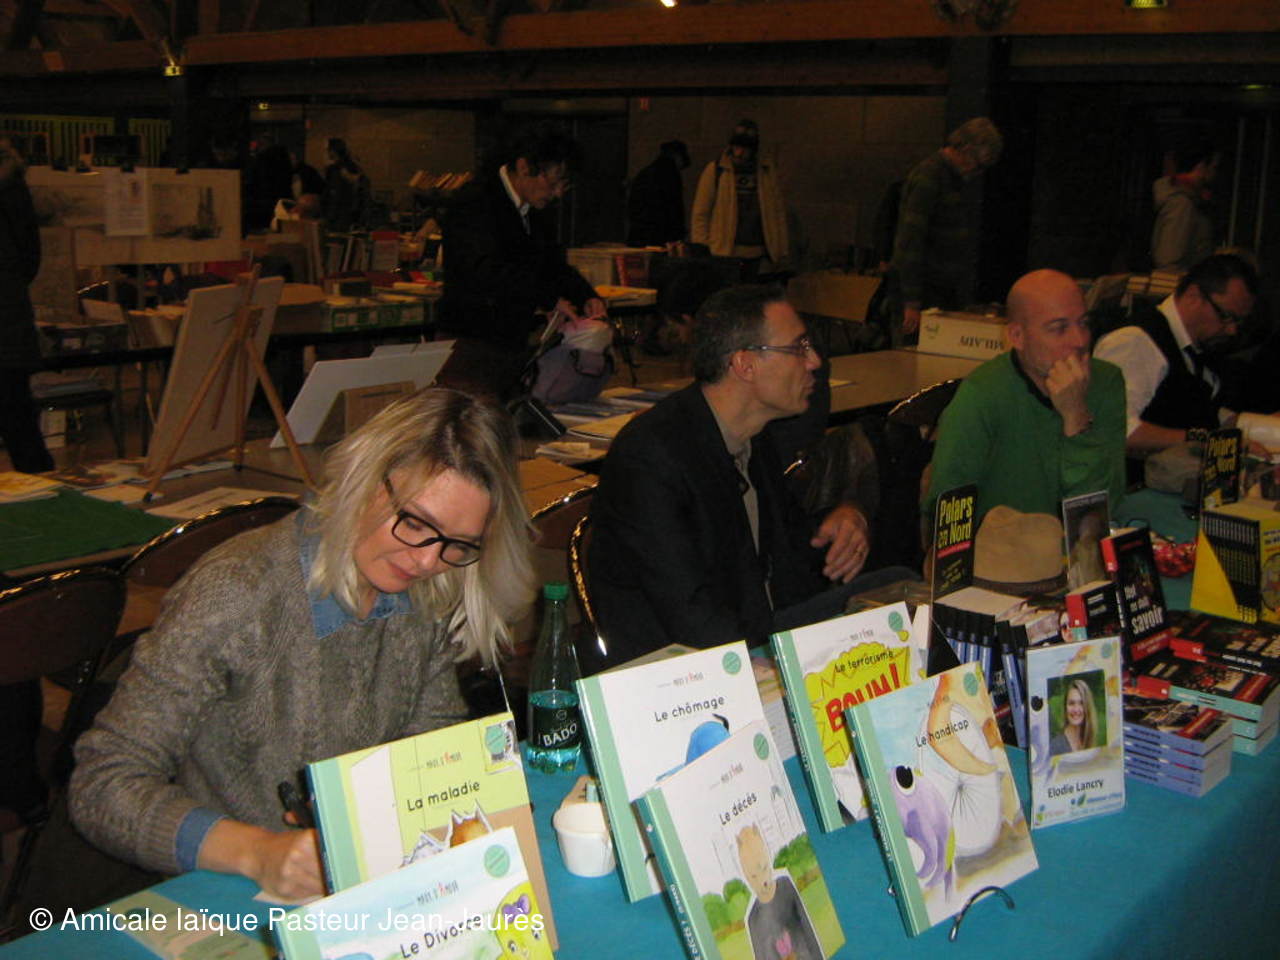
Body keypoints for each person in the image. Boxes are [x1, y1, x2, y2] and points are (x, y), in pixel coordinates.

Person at [69, 389, 535, 903]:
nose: (428, 561)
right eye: (417, 523)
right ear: (363, 479)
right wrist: (258, 852)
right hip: (230, 886)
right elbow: (102, 782)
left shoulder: (426, 591)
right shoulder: (236, 592)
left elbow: (430, 740)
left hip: (354, 883)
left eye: (458, 544)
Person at [588, 285, 899, 668]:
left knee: (896, 588)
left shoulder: (752, 436)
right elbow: (687, 612)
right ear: (745, 364)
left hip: (753, 633)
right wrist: (781, 672)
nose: (815, 361)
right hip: (685, 667)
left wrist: (842, 519)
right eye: (798, 347)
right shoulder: (652, 455)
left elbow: (781, 551)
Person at [924, 269, 1126, 530]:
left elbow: (1101, 513)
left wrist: (1076, 418)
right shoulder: (981, 395)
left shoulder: (1106, 382)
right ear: (1017, 336)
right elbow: (947, 513)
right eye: (1059, 328)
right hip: (1002, 549)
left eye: (1083, 323)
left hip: (1077, 548)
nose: (1080, 340)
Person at [438, 124, 605, 400]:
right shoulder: (474, 202)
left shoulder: (533, 207)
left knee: (507, 413)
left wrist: (585, 295)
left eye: (564, 186)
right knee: (469, 414)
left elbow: (552, 263)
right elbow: (483, 270)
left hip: (511, 337)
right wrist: (547, 297)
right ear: (524, 166)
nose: (557, 193)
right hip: (472, 336)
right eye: (553, 182)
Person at [1094, 253, 1258, 456]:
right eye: (1226, 316)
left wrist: (1257, 428)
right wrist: (1207, 441)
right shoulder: (1134, 342)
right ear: (1194, 296)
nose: (1232, 330)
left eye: (1238, 322)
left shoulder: (1195, 345)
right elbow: (1116, 431)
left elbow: (1198, 408)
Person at [888, 117, 1003, 343]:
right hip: (923, 291)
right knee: (912, 355)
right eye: (978, 165)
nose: (977, 173)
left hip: (939, 288)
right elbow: (910, 242)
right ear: (966, 150)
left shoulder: (953, 179)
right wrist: (912, 302)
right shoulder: (929, 176)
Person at [0, 137, 54, 475]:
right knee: (18, 418)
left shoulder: (10, 191)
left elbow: (26, 260)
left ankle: (43, 487)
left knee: (17, 418)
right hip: (10, 320)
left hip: (6, 325)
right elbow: (28, 259)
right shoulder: (13, 189)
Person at [690, 119, 788, 280]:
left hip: (758, 252)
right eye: (737, 147)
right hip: (725, 251)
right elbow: (701, 212)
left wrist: (780, 249)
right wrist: (702, 246)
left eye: (745, 148)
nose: (739, 153)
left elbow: (777, 212)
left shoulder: (766, 172)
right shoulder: (717, 170)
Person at [1151, 139, 1218, 272]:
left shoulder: (1185, 201)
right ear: (1201, 166)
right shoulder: (1182, 204)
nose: (1215, 174)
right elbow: (1168, 261)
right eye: (1214, 167)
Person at [627, 139, 690, 247]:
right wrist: (678, 234)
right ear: (677, 156)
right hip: (661, 236)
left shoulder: (646, 173)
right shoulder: (670, 175)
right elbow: (674, 208)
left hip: (641, 234)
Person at [322, 137, 369, 232]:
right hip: (346, 214)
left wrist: (329, 216)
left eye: (327, 150)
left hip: (340, 215)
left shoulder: (339, 169)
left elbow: (336, 194)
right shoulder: (348, 167)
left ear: (333, 151)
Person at [1050, 677, 1097, 755]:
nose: (1076, 709)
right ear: (1065, 707)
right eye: (1071, 703)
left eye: (1081, 703)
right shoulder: (1055, 747)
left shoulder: (1089, 742)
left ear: (1087, 707)